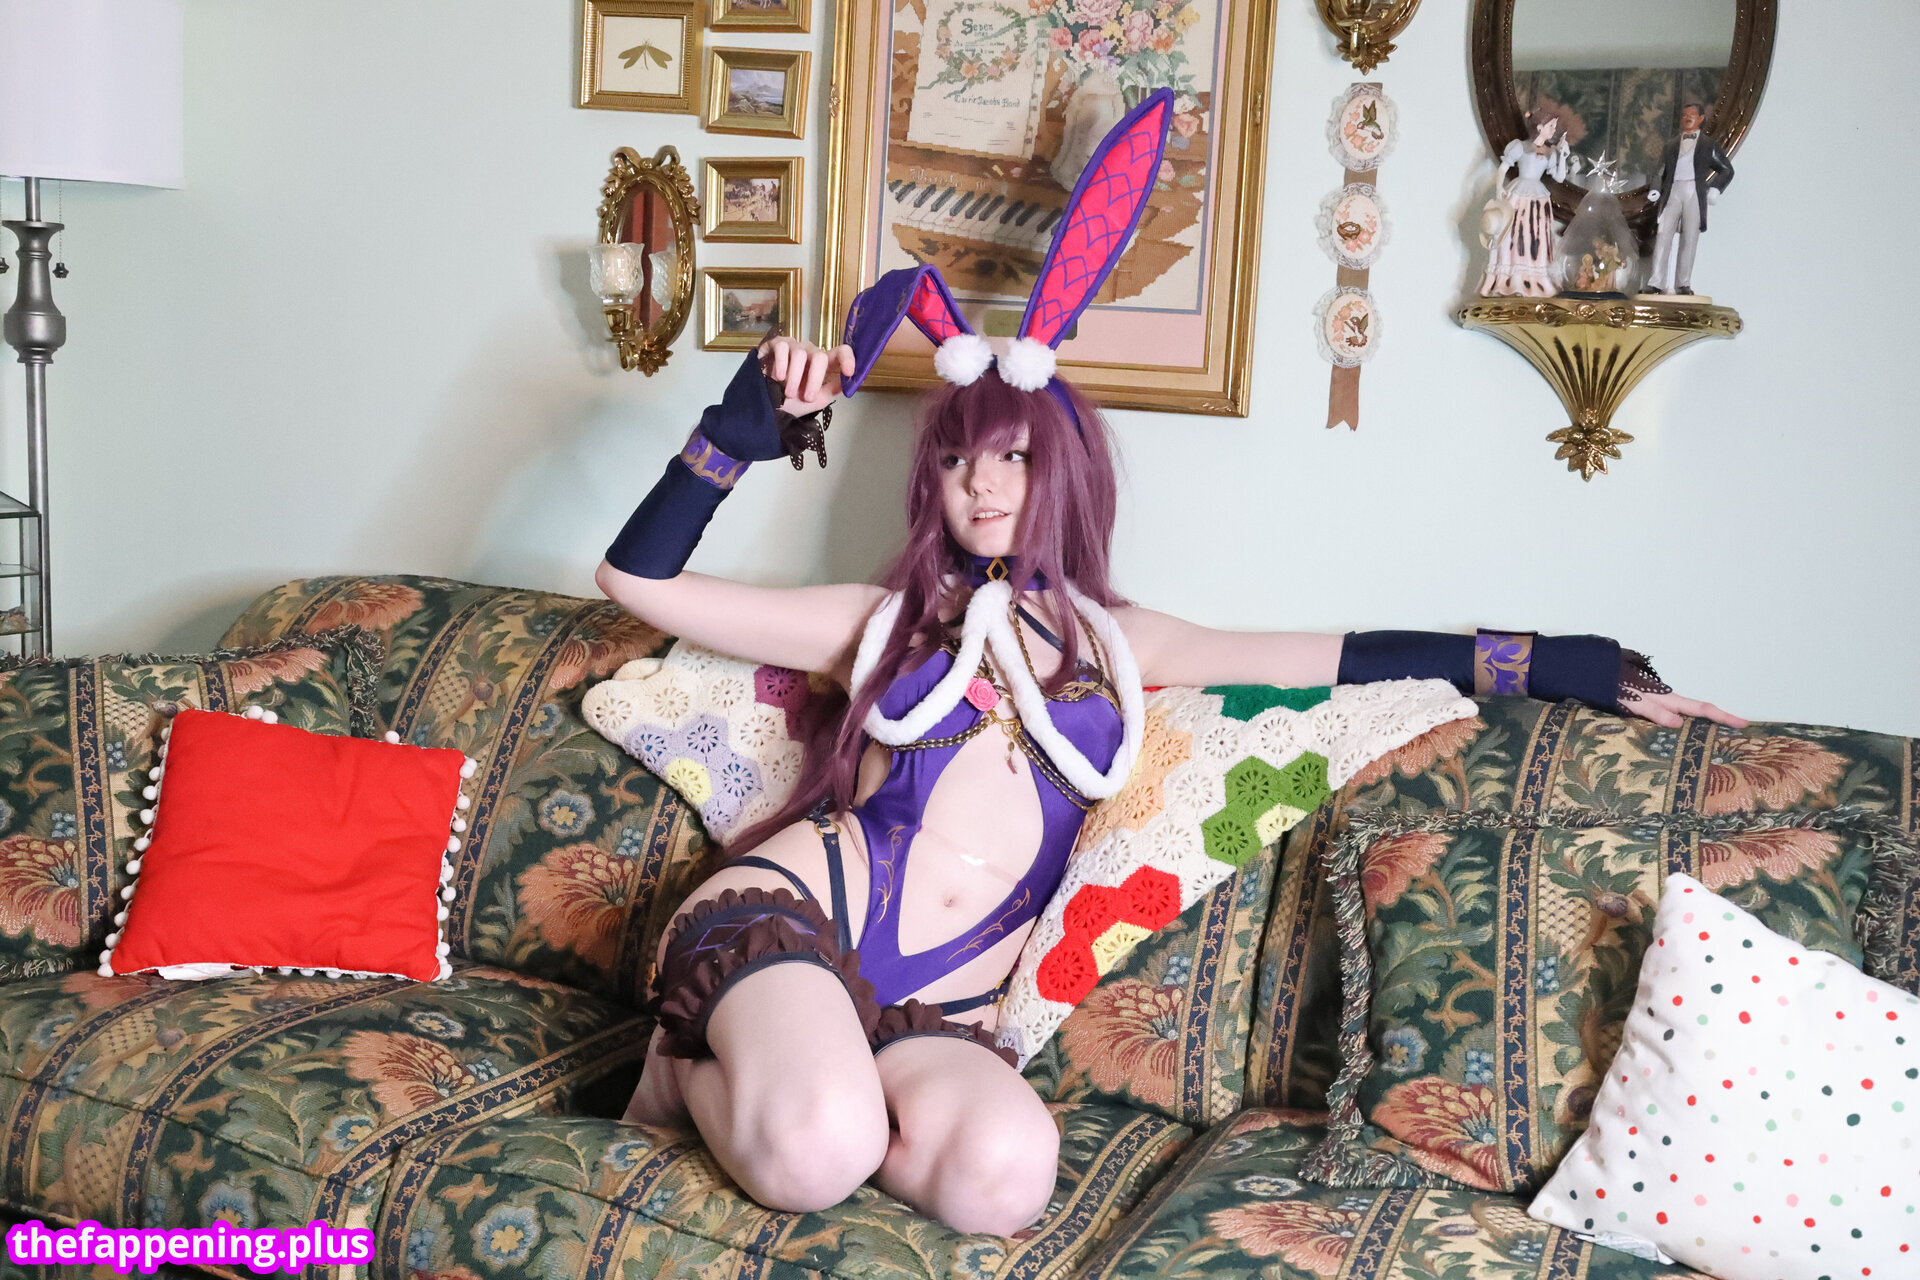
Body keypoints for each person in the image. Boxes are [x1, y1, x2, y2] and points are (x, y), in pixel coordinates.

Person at [594, 93, 1745, 1237]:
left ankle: (814, 1094)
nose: (981, 483)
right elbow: (637, 582)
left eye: (1011, 456)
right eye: (955, 459)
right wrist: (728, 441)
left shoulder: (1120, 643)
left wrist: (1560, 661)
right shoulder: (885, 621)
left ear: (1063, 470)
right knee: (817, 1148)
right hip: (800, 918)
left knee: (1004, 1177)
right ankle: (687, 1069)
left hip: (944, 1002)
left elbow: (1345, 658)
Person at [1647, 101, 1735, 295]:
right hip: (1673, 190)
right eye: (1684, 115)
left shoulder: (1709, 145)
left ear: (1701, 118)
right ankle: (1656, 281)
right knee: (1663, 234)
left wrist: (1715, 189)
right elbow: (1659, 171)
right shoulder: (1670, 145)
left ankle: (1683, 282)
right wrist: (1655, 189)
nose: (1687, 118)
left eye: (1692, 115)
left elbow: (1726, 170)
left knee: (1690, 237)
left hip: (1694, 191)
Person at [1479, 117, 1571, 297]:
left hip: (1537, 196)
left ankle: (1532, 271)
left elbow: (1560, 178)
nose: (1553, 129)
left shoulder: (1550, 152)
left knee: (1535, 232)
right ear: (1540, 127)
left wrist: (1563, 156)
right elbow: (1504, 167)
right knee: (1513, 231)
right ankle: (1509, 270)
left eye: (1554, 126)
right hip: (1519, 193)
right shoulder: (1520, 146)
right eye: (1551, 125)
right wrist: (1499, 187)